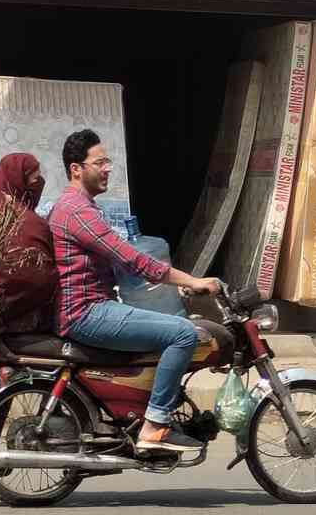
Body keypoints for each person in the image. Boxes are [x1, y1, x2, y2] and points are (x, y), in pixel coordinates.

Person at [49, 129, 220, 454]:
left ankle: (143, 410)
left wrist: (174, 289)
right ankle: (154, 426)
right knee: (184, 334)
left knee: (169, 327)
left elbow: (122, 266)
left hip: (93, 307)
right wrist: (192, 281)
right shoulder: (77, 211)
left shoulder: (81, 207)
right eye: (99, 163)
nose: (107, 169)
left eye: (108, 162)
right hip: (86, 313)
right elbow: (132, 259)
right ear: (76, 169)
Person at [0, 152, 58, 333]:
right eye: (35, 179)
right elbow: (41, 279)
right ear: (18, 182)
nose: (39, 184)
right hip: (23, 319)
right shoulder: (30, 223)